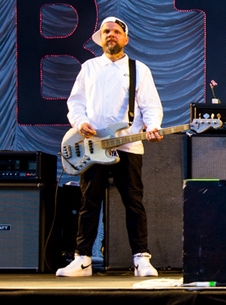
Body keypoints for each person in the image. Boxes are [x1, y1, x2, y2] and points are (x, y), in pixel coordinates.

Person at [57, 17, 163, 277]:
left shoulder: (139, 69)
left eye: (116, 32)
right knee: (89, 202)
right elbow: (76, 102)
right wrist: (80, 123)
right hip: (92, 147)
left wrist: (152, 126)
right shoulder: (89, 67)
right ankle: (82, 259)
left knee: (133, 202)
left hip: (127, 145)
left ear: (125, 39)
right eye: (106, 32)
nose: (110, 35)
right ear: (101, 38)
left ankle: (141, 259)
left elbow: (150, 104)